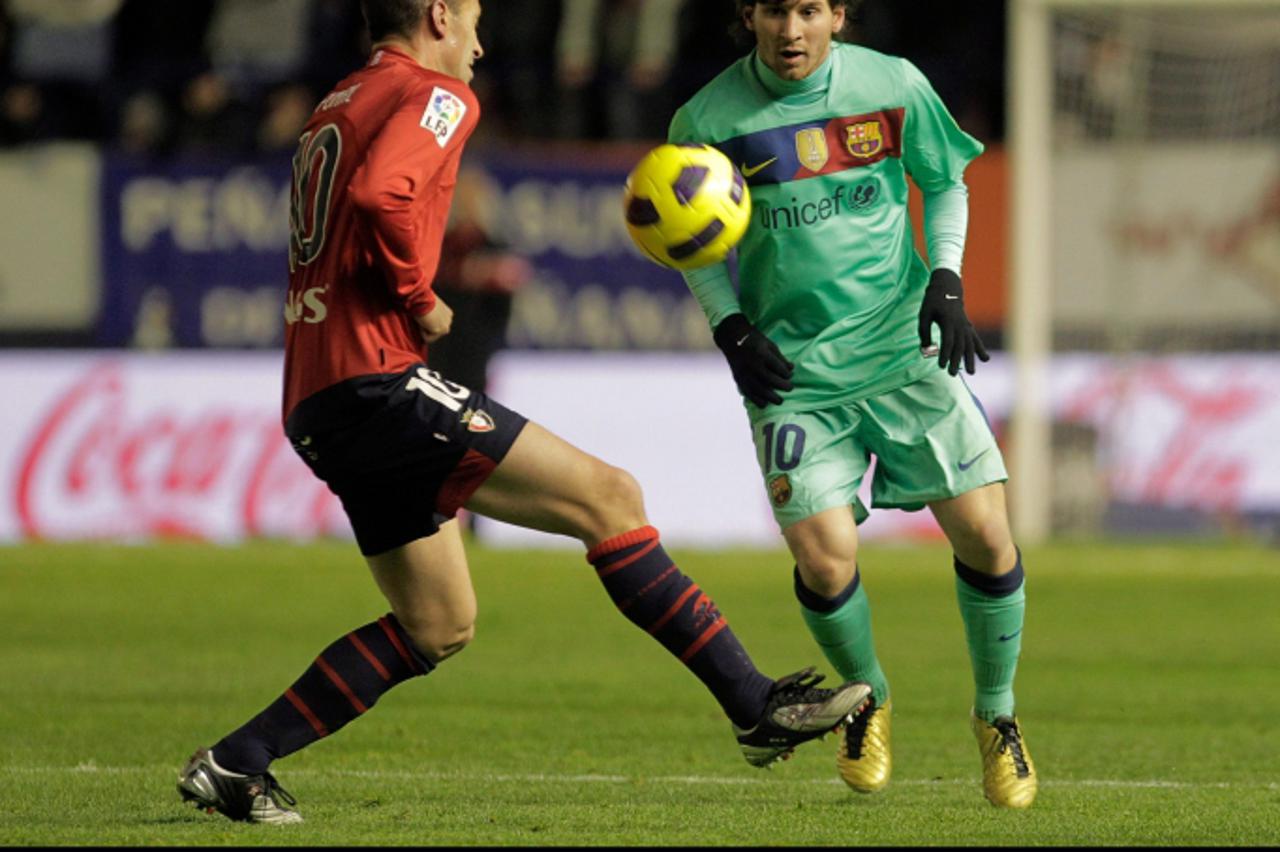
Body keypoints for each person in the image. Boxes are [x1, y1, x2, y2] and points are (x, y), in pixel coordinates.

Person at [175, 0, 871, 825]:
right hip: (378, 379)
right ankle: (754, 705)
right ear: (437, 14)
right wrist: (419, 298)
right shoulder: (439, 96)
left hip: (318, 396)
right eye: (471, 18)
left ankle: (238, 761)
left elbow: (355, 193)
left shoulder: (340, 99)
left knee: (437, 623)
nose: (480, 40)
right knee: (608, 498)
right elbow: (376, 193)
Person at [667, 0, 1036, 809]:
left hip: (901, 349)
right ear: (749, 15)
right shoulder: (706, 118)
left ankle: (998, 718)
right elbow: (686, 238)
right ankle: (863, 700)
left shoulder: (892, 85)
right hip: (793, 372)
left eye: (808, 9)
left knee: (985, 530)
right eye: (774, 10)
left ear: (837, 14)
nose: (790, 30)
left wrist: (944, 276)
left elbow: (946, 182)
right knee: (825, 556)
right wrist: (729, 327)